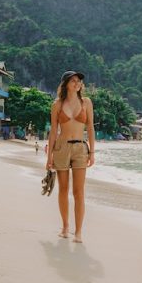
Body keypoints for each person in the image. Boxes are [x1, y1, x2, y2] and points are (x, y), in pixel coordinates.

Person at [46, 71, 95, 243]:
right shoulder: (57, 105)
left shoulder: (86, 102)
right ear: (66, 83)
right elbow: (53, 131)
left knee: (79, 192)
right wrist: (48, 157)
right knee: (63, 190)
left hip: (81, 148)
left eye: (79, 81)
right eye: (73, 80)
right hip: (61, 148)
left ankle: (79, 232)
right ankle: (65, 227)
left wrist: (93, 152)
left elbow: (90, 128)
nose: (77, 83)